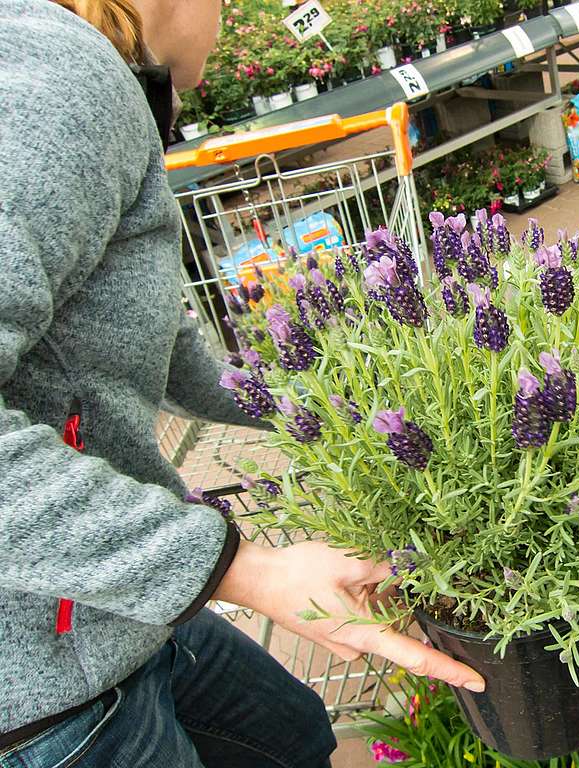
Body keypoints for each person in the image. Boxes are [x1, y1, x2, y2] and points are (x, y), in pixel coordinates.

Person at [0, 1, 485, 766]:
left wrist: (355, 407)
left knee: (291, 735)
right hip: (44, 692)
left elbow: (156, 353)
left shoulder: (88, 78)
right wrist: (246, 571)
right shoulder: (58, 80)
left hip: (114, 608)